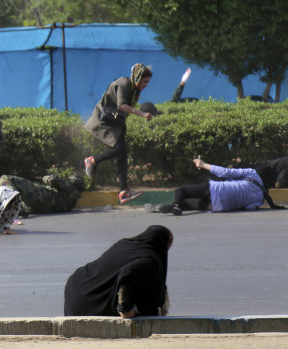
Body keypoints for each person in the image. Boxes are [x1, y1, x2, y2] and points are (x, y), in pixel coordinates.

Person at [64, 225, 173, 318]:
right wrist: (125, 308)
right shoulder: (150, 260)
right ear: (165, 243)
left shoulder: (124, 244)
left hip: (77, 292)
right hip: (94, 306)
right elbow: (128, 272)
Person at [83, 63, 154, 204]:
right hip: (105, 119)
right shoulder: (124, 84)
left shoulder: (134, 88)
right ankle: (92, 160)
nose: (146, 85)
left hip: (117, 120)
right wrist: (142, 113)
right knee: (119, 149)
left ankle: (123, 191)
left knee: (122, 154)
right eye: (145, 81)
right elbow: (122, 105)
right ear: (138, 78)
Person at [145, 158, 282, 215]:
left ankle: (173, 206)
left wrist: (204, 165)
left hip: (216, 189)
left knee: (181, 191)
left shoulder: (253, 174)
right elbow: (248, 208)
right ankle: (162, 207)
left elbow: (226, 172)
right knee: (186, 204)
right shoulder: (261, 197)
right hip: (219, 207)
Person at [0, 174, 84, 214]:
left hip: (38, 195)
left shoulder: (69, 186)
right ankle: (18, 207)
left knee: (6, 178)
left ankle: (14, 205)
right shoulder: (72, 202)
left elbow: (48, 179)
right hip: (37, 208)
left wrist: (51, 178)